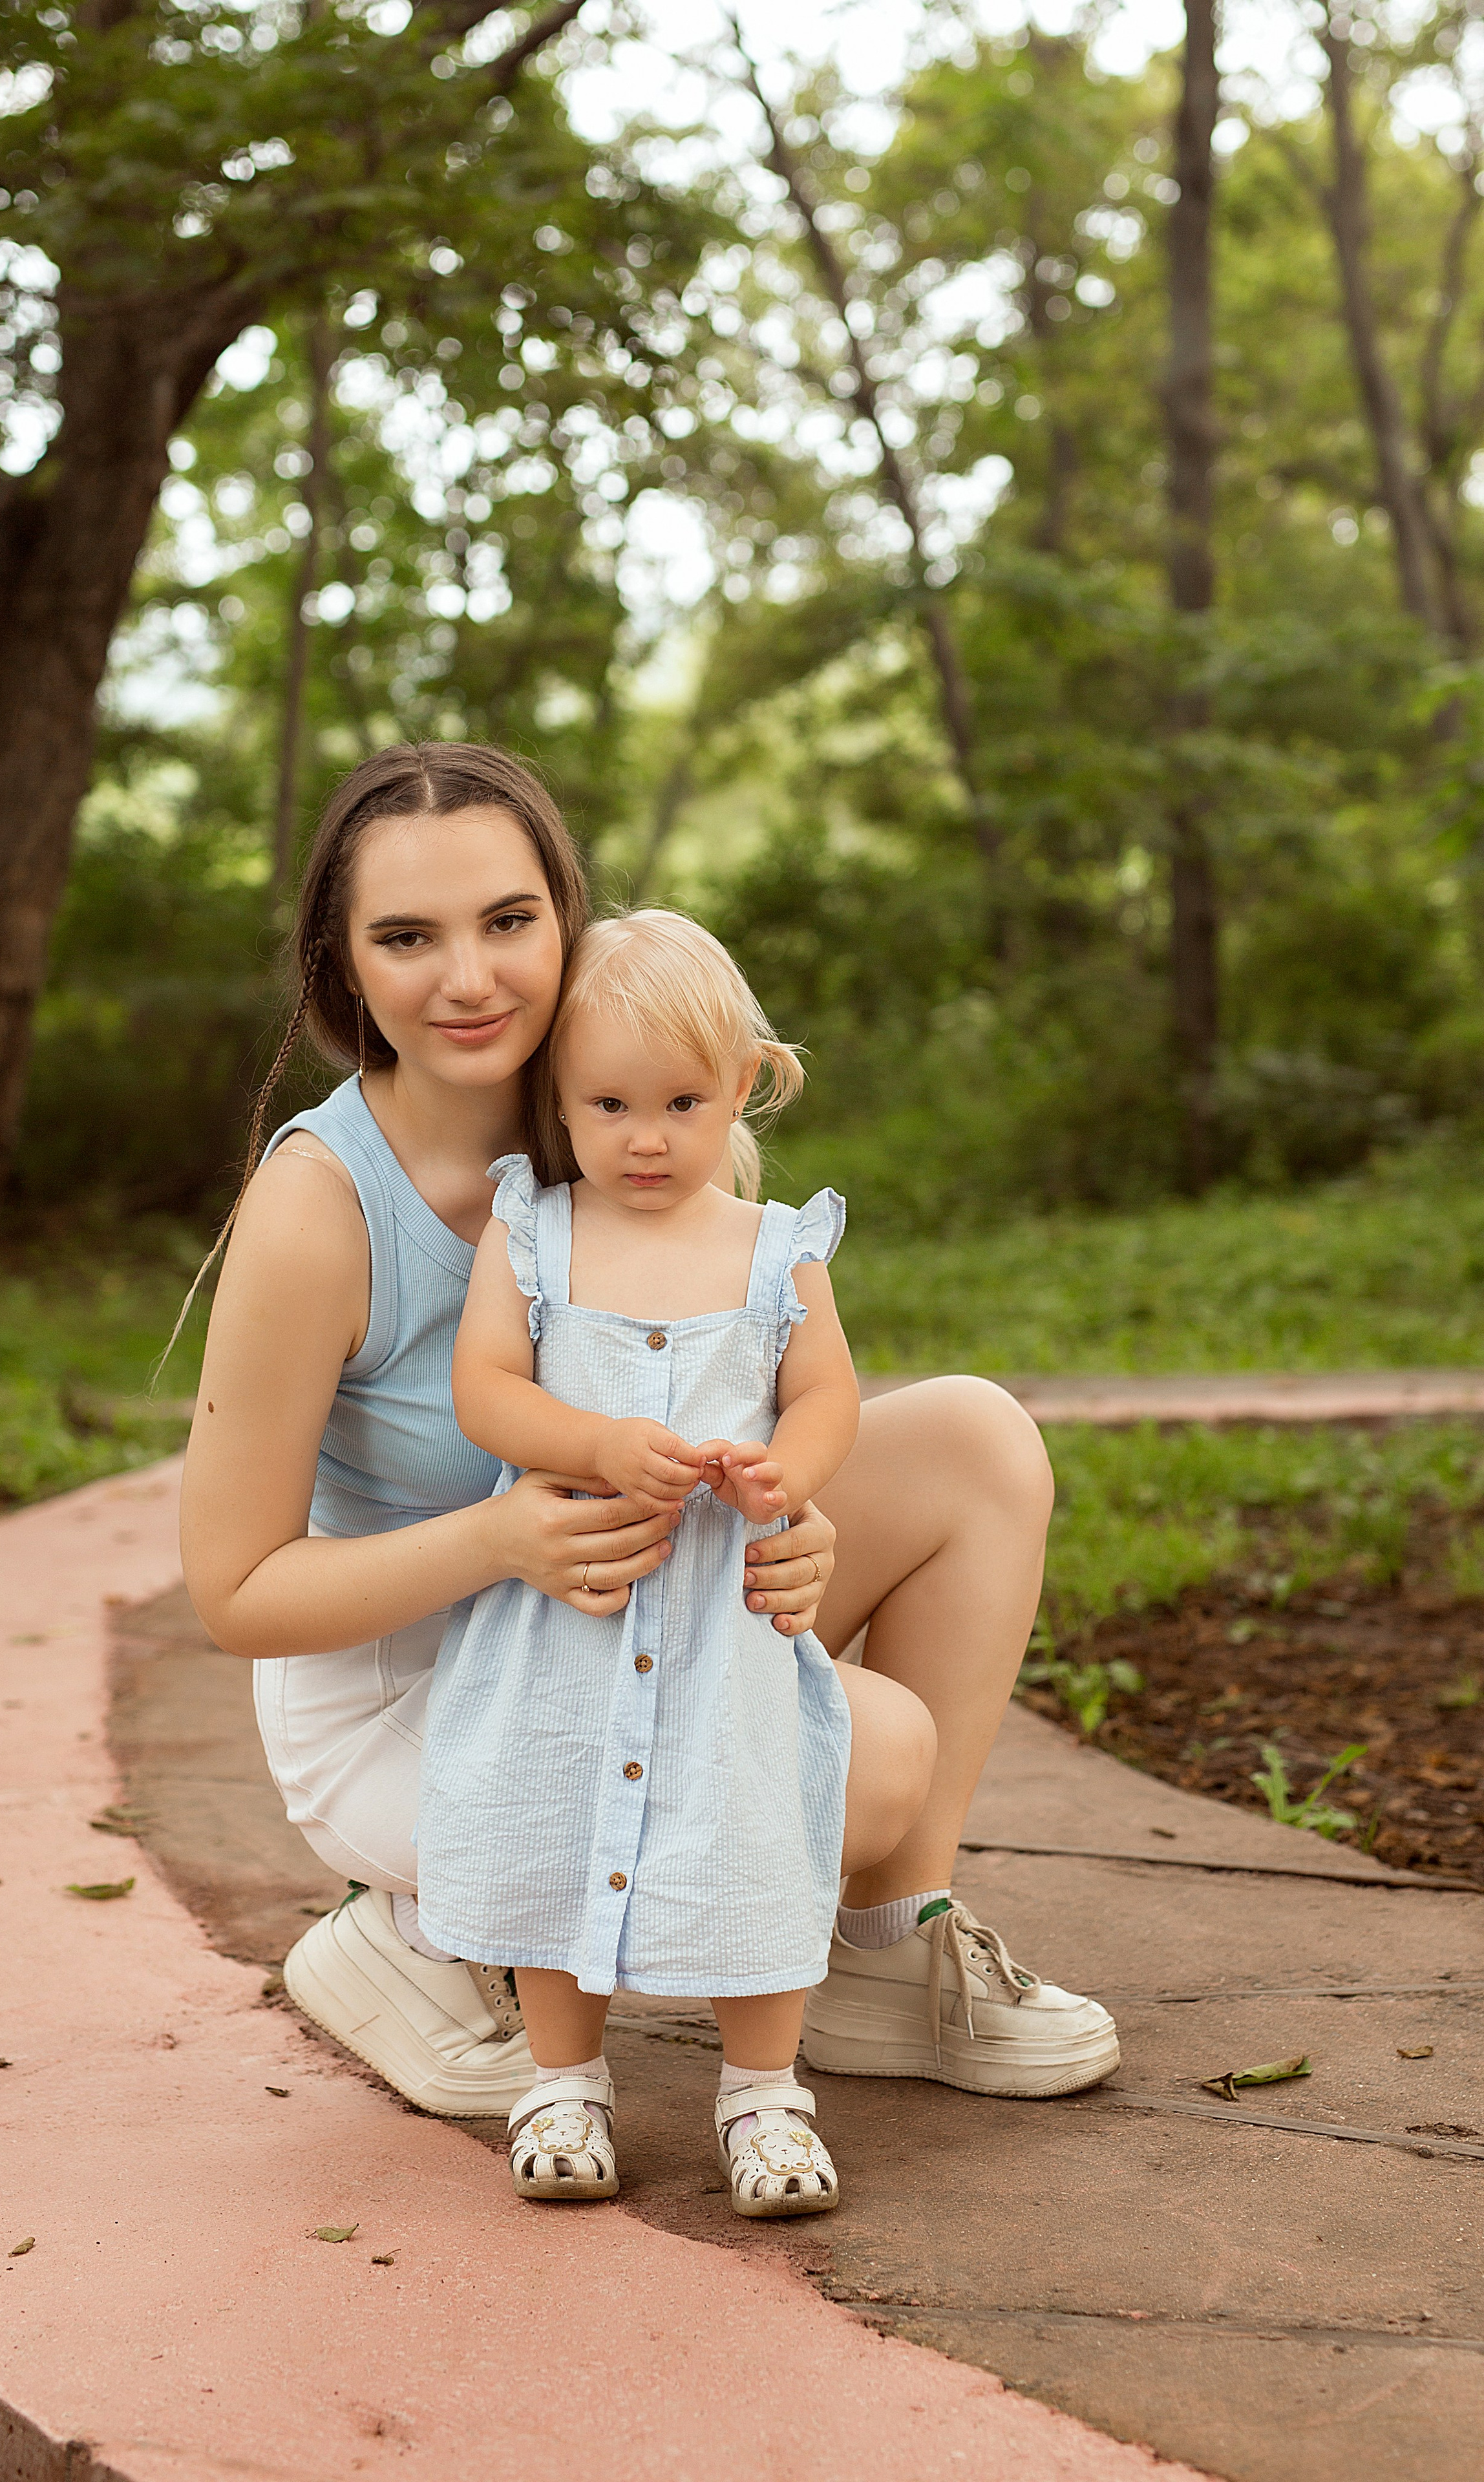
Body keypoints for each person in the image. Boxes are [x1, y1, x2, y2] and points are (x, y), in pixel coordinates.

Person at [180, 741, 1118, 2127]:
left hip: (646, 1594)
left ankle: (876, 1948)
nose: (469, 977)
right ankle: (423, 1934)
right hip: (418, 1684)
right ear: (342, 968)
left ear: (567, 916)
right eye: (405, 936)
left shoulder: (620, 1110)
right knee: (872, 1753)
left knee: (979, 1440)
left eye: (507, 920)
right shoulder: (323, 1207)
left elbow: (758, 1401)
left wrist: (798, 1521)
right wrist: (502, 1535)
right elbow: (235, 1592)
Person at [418, 910, 878, 2216]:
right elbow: (486, 1391)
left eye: (681, 1102)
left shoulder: (773, 1247)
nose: (645, 1137)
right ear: (558, 1102)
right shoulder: (538, 1233)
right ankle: (562, 2076)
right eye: (607, 1104)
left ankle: (762, 2090)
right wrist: (592, 1440)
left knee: (751, 1832)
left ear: (743, 1084)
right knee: (551, 1825)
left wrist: (793, 1466)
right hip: (571, 1604)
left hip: (722, 1622)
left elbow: (827, 1392)